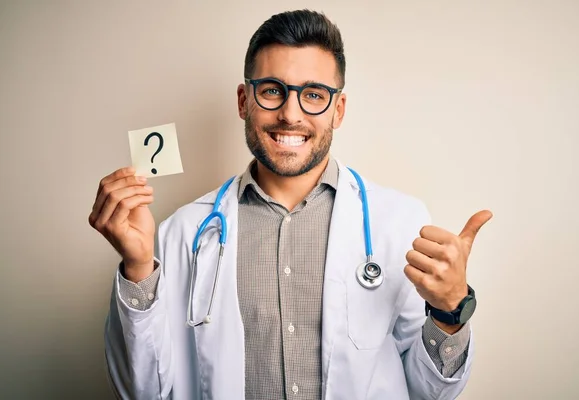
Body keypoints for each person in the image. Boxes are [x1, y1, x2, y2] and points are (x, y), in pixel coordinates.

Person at [89, 9, 492, 400]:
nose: (290, 113)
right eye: (271, 91)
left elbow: (427, 393)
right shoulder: (182, 232)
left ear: (339, 110)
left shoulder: (400, 223)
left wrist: (449, 313)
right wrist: (139, 268)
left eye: (313, 94)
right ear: (244, 101)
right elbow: (142, 392)